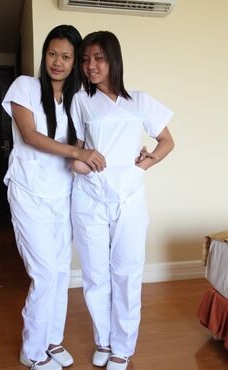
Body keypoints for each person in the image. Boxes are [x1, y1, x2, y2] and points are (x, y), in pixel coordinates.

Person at [2, 25, 106, 370]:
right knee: (45, 273)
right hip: (28, 192)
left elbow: (81, 150)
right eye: (52, 53)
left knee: (61, 272)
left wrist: (112, 155)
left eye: (65, 56)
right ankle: (31, 351)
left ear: (74, 62)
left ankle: (51, 340)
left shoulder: (76, 101)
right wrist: (79, 151)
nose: (57, 62)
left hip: (62, 194)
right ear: (44, 55)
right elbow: (31, 135)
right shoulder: (26, 87)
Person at [70, 31, 174, 370]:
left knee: (127, 273)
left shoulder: (140, 101)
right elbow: (74, 151)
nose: (90, 65)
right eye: (85, 59)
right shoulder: (80, 101)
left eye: (98, 58)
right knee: (96, 274)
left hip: (129, 199)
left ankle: (122, 347)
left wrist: (145, 163)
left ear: (113, 59)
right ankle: (104, 338)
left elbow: (166, 141)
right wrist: (82, 162)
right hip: (90, 198)